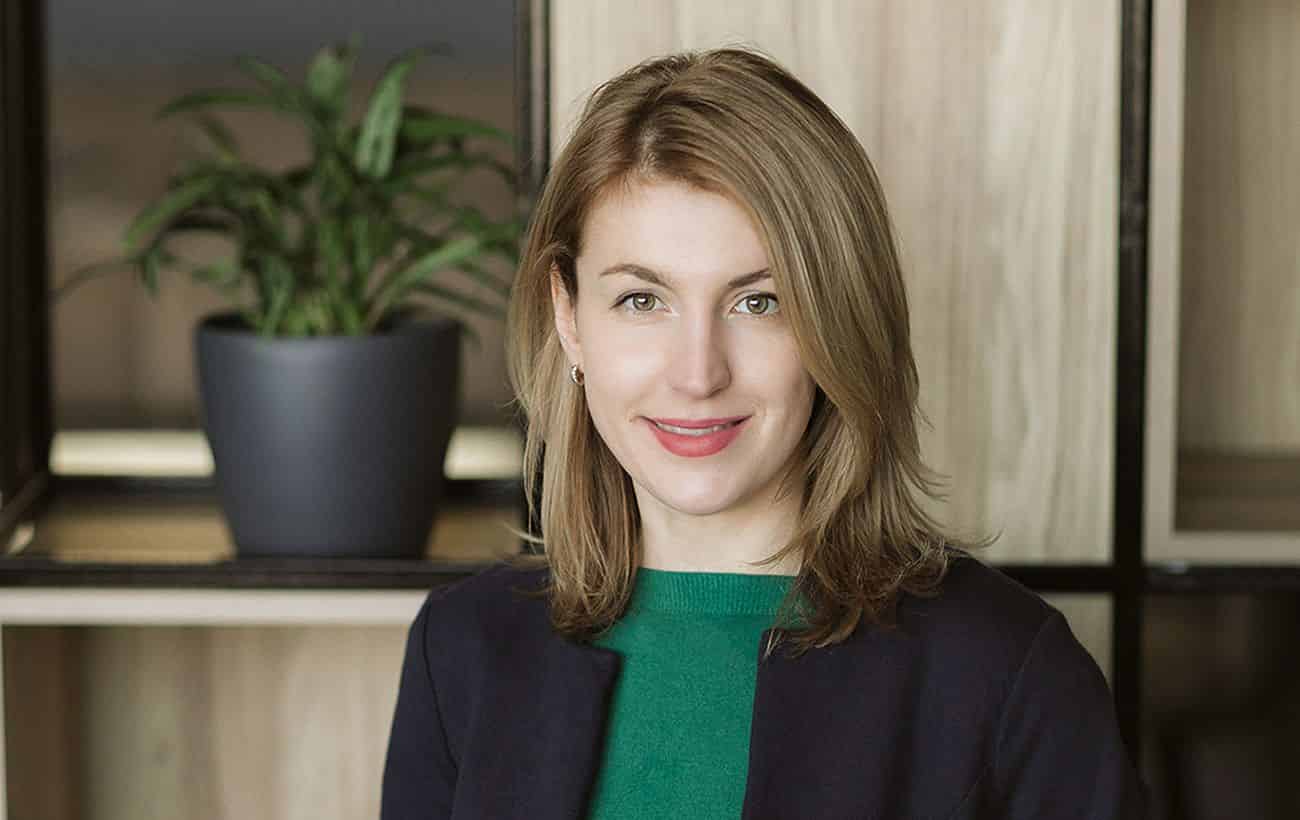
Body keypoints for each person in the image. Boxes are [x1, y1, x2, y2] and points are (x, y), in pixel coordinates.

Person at [380, 46, 1148, 819]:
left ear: (835, 324)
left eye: (759, 302)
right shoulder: (462, 651)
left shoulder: (1006, 670)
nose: (698, 373)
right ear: (568, 317)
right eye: (642, 301)